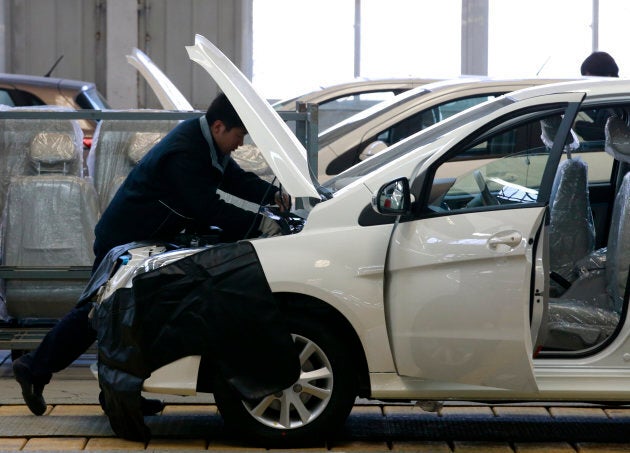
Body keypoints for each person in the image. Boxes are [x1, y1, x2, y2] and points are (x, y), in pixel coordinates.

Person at [12, 92, 290, 416]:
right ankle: (34, 369)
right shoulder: (187, 151)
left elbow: (233, 178)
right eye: (238, 136)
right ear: (219, 126)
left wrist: (273, 195)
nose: (240, 144)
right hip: (125, 241)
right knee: (97, 315)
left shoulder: (203, 142)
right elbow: (206, 207)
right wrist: (259, 225)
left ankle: (120, 394)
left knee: (131, 319)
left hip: (146, 238)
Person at [576, 51, 620, 140]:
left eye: (591, 79)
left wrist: (576, 125)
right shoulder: (601, 100)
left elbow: (610, 134)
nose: (587, 84)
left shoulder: (620, 102)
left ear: (608, 76)